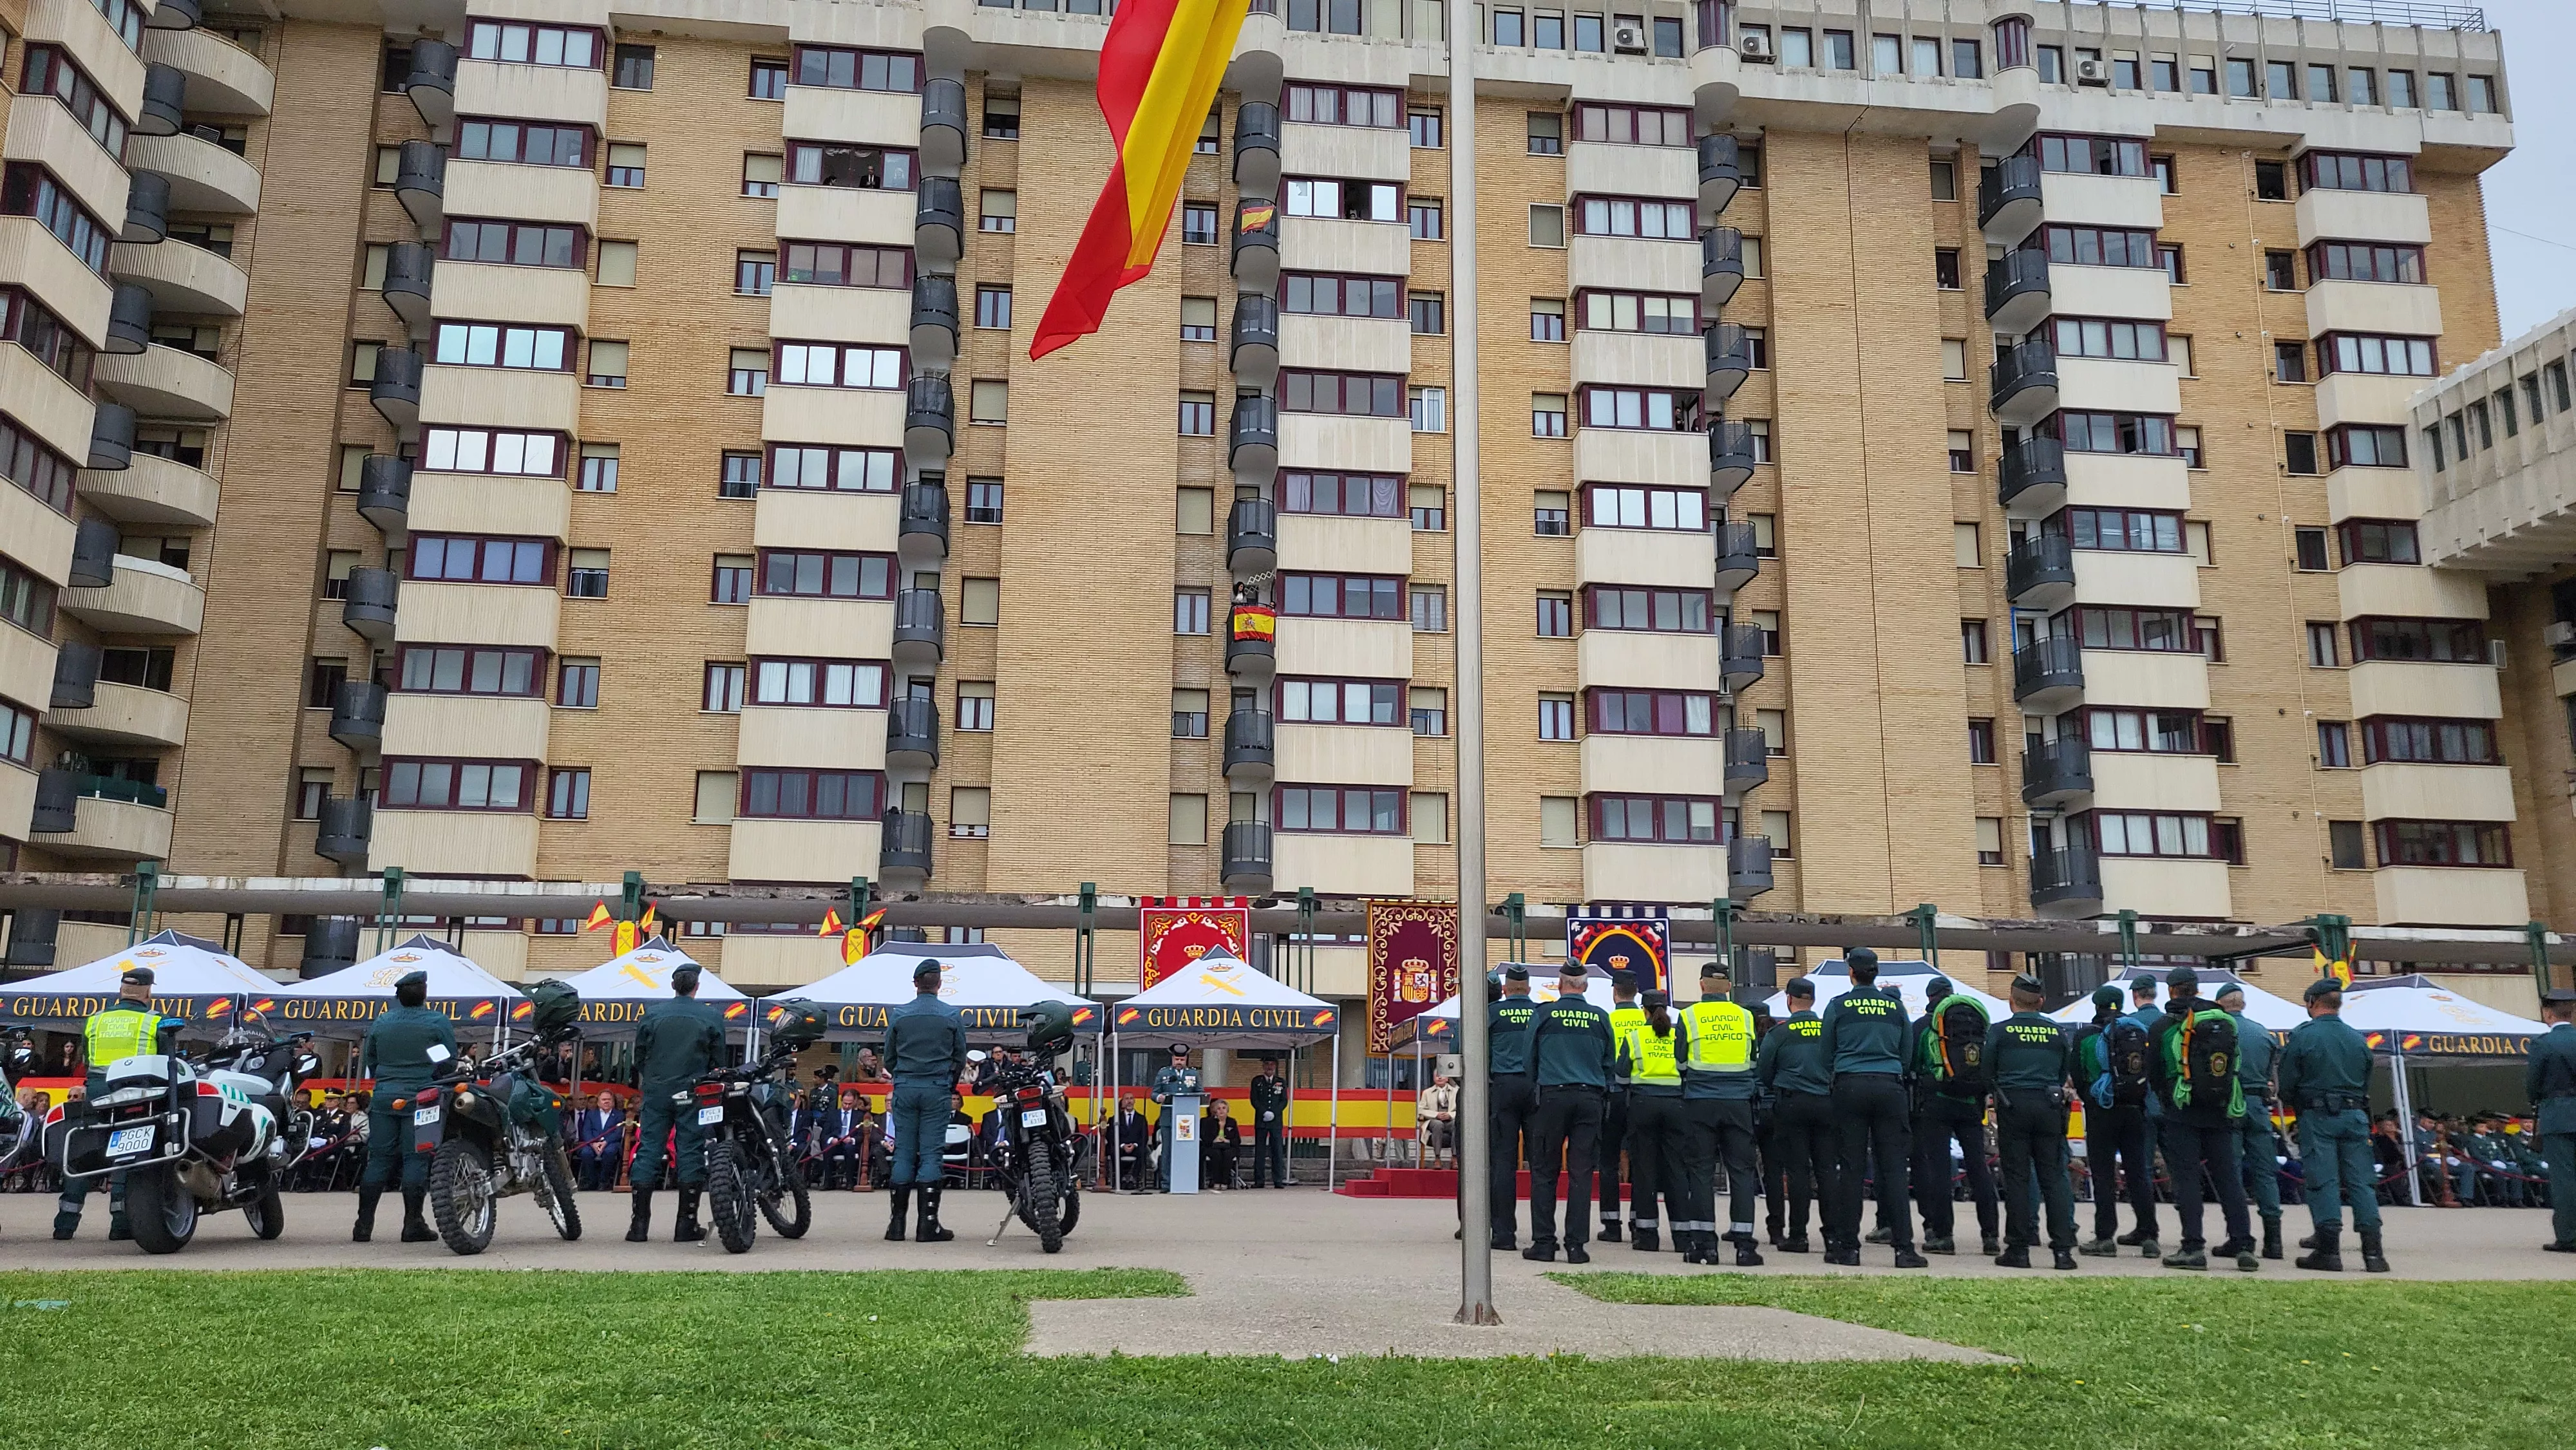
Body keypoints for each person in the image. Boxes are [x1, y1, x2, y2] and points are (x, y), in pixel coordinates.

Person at [53, 967, 183, 1241]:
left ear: (121, 990)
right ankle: (121, 1224)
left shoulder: (95, 1020)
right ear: (148, 992)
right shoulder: (155, 1020)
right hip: (137, 1092)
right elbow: (165, 1061)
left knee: (85, 1152)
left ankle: (65, 1224)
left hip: (98, 1090)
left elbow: (87, 1058)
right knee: (130, 1151)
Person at [2146, 966, 2257, 1272]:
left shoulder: (2164, 1027)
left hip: (2182, 1112)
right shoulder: (2224, 1021)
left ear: (2172, 991)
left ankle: (2193, 1247)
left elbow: (2153, 1072)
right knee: (2229, 1178)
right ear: (2197, 989)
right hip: (2221, 1110)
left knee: (2187, 1181)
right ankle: (2243, 1244)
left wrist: (2171, 1097)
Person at [1819, 948, 1924, 1268]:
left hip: (1850, 1085)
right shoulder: (1895, 1007)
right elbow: (1907, 1053)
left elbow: (1826, 1053)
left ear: (1851, 972)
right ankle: (1904, 1249)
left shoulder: (1838, 1006)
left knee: (1851, 1169)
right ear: (1876, 973)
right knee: (1893, 1168)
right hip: (1890, 1086)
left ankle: (1847, 1248)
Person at [2276, 977, 2389, 1272]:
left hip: (2318, 1116)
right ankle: (2374, 1254)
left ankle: (2328, 1251)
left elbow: (2287, 1083)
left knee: (2323, 1180)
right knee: (2361, 1182)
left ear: (2312, 1002)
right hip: (2355, 1115)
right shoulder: (2357, 1037)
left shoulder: (2304, 1036)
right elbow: (2367, 1079)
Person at [346, 969, 459, 1245]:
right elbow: (449, 1062)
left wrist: (387, 1079)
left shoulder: (382, 1022)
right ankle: (413, 1224)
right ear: (425, 994)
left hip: (385, 1096)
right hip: (422, 1098)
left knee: (379, 1159)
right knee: (416, 1158)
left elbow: (371, 1059)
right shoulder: (437, 1021)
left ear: (398, 995)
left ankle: (364, 1225)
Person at [627, 963, 727, 1244]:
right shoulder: (711, 1016)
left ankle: (639, 1226)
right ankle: (686, 1224)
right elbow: (718, 1062)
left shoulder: (653, 1014)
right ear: (697, 986)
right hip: (692, 1090)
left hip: (657, 1090)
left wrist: (654, 1078)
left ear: (673, 986)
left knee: (648, 1149)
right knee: (690, 1149)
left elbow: (639, 1056)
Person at [1985, 974, 2079, 1270]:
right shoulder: (2057, 1032)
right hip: (2050, 1107)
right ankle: (2063, 1251)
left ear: (2011, 1001)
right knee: (2055, 1178)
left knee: (2017, 1179)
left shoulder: (2000, 1032)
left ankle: (2019, 1249)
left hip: (2013, 1106)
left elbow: (1987, 1071)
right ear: (2041, 1001)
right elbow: (2065, 1069)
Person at [1524, 963, 1615, 1264]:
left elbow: (1529, 1060)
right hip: (1590, 1097)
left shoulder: (1544, 1014)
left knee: (1544, 1171)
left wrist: (1541, 1085)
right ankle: (1576, 1246)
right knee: (1581, 1174)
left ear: (1560, 984)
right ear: (1585, 986)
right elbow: (1609, 1062)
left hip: (1553, 1096)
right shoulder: (1600, 1017)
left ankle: (1544, 1243)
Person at [1677, 965, 1763, 1265]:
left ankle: (1704, 1246)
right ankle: (1745, 1247)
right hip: (1738, 1103)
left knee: (1701, 1171)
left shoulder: (1688, 1016)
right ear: (1728, 987)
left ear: (1701, 985)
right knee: (1741, 1172)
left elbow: (1681, 1062)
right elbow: (1754, 1060)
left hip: (1701, 1102)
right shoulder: (1745, 1016)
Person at [1909, 975, 2000, 1257]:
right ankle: (1991, 1236)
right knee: (1978, 1168)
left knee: (1938, 1168)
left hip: (1937, 1103)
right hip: (1971, 1102)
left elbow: (1912, 1064)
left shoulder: (1925, 1027)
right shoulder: (1975, 1023)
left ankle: (1943, 1235)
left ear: (1930, 998)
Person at [882, 958, 967, 1240]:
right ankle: (927, 1225)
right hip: (937, 1087)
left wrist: (904, 1076)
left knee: (904, 1151)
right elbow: (959, 1058)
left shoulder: (899, 1015)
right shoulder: (951, 1016)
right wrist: (948, 1084)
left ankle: (896, 1225)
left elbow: (890, 1058)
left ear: (916, 984)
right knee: (931, 1153)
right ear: (939, 985)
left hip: (906, 1086)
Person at [2074, 981, 2159, 1257]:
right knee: (2138, 1172)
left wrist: (2091, 1097)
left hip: (2102, 1110)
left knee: (2103, 1174)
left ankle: (2104, 1236)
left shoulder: (2087, 1035)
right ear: (2121, 1004)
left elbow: (2078, 1073)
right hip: (2135, 1108)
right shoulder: (2136, 1031)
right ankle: (2149, 1235)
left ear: (2096, 1005)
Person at [1754, 975, 1833, 1256]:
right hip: (1827, 1104)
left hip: (1792, 1105)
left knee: (1797, 1172)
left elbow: (1765, 1072)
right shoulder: (1828, 1029)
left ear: (1789, 1000)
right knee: (1826, 1172)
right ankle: (1833, 1236)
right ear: (1812, 1001)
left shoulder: (1780, 1033)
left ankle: (1798, 1235)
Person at [2215, 984, 2286, 1259]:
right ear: (2243, 1004)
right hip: (2258, 1105)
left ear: (2221, 1004)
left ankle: (2238, 1235)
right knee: (2265, 1173)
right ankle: (2274, 1241)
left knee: (2230, 1173)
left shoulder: (2220, 1030)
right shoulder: (2262, 1033)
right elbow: (2271, 1076)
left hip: (2229, 1104)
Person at [1612, 988, 1685, 1254]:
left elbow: (1621, 1077)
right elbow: (1686, 1067)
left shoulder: (1635, 1036)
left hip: (1643, 1105)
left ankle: (1647, 1235)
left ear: (1643, 1010)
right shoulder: (1678, 1034)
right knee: (1677, 1171)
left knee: (1644, 1171)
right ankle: (1682, 1236)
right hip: (1677, 1105)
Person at [1482, 966, 1542, 1248]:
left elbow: (1472, 1050)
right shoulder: (1541, 1013)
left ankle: (1504, 1234)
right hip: (1536, 1090)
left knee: (1503, 1163)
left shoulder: (1492, 1013)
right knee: (1541, 1165)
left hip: (1502, 1088)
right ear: (1528, 989)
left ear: (1505, 989)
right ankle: (1543, 1234)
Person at [1596, 970, 1645, 1243]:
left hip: (1612, 1095)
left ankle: (1611, 1224)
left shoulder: (1607, 1019)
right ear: (1636, 993)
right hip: (1641, 1095)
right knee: (1641, 1160)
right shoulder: (1648, 1019)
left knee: (1608, 1161)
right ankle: (1640, 1220)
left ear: (1615, 992)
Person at [2527, 989, 2576, 1252]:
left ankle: (2568, 1236)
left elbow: (2533, 1084)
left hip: (2557, 1116)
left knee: (2565, 1179)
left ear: (2548, 1013)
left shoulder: (2543, 1044)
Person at [1151, 1044, 1200, 1192]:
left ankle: (1186, 1180)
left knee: (1186, 1149)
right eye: (1177, 1059)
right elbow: (1154, 1093)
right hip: (1169, 1118)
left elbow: (1200, 1093)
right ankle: (1166, 1183)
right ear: (1172, 1059)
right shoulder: (1164, 1074)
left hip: (1187, 1120)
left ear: (1186, 1060)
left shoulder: (1193, 1074)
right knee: (1167, 1151)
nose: (1179, 1062)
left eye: (1182, 1059)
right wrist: (1159, 1097)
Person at [1248, 1056, 1291, 1188]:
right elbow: (1254, 1099)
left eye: (1272, 1065)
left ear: (1276, 1067)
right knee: (1260, 1152)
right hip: (1261, 1120)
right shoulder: (1257, 1081)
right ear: (1263, 1066)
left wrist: (1274, 1113)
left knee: (1277, 1151)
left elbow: (1284, 1100)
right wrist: (1263, 1112)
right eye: (1267, 1064)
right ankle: (1259, 1180)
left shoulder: (1281, 1082)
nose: (1269, 1067)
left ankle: (1278, 1180)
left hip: (1276, 1121)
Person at [574, 1091, 623, 1192]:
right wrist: (593, 1144)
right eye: (604, 1100)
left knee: (609, 1152)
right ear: (598, 1102)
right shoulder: (591, 1114)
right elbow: (586, 1131)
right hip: (593, 1142)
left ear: (613, 1102)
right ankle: (591, 1181)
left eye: (609, 1100)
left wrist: (605, 1143)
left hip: (610, 1143)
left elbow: (618, 1133)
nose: (606, 1102)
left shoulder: (619, 1115)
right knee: (586, 1153)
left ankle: (604, 1182)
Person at [819, 1091, 866, 1190]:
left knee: (850, 1149)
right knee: (828, 1149)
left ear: (854, 1102)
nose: (847, 1106)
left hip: (850, 1143)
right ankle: (828, 1182)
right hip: (836, 1142)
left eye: (850, 1104)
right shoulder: (832, 1114)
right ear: (841, 1101)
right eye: (845, 1103)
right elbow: (825, 1134)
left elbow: (862, 1135)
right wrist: (832, 1140)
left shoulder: (859, 1115)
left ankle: (850, 1182)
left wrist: (852, 1140)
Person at [1416, 1069, 1459, 1165]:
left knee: (1456, 1124)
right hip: (1434, 1121)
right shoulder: (1427, 1093)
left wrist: (1450, 1115)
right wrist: (1436, 1115)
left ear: (1447, 1078)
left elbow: (1461, 1111)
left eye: (1442, 1075)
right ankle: (1437, 1158)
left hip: (1450, 1120)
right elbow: (1421, 1110)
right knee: (1438, 1125)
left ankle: (1455, 1158)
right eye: (1437, 1076)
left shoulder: (1456, 1092)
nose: (1440, 1078)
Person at [1113, 1094, 1153, 1191]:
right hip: (1121, 1147)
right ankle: (1121, 1179)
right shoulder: (1115, 1119)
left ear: (1135, 1101)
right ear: (1123, 1102)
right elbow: (1112, 1136)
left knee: (1143, 1152)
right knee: (1113, 1151)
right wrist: (1123, 1146)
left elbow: (1144, 1137)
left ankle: (1134, 1178)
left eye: (1131, 1099)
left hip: (1136, 1147)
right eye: (1126, 1099)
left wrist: (1134, 1145)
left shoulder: (1141, 1119)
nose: (1129, 1101)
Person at [1204, 1097, 1241, 1187]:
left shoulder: (1232, 1122)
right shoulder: (1208, 1122)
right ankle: (1216, 1181)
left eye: (1224, 1108)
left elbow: (1237, 1140)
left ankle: (1225, 1182)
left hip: (1228, 1146)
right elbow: (1205, 1138)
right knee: (1217, 1154)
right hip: (1213, 1147)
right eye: (1219, 1108)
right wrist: (1214, 1140)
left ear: (1227, 1110)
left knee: (1228, 1154)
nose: (1221, 1111)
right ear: (1215, 1110)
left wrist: (1227, 1141)